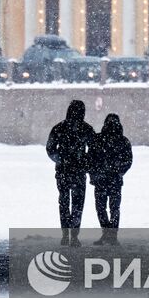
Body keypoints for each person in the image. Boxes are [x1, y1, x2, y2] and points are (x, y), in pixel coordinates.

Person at [45, 99, 95, 246]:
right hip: (78, 172)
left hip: (63, 171)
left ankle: (66, 233)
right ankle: (73, 234)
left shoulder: (59, 128)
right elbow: (94, 149)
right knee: (77, 203)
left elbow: (50, 148)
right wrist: (85, 162)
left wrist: (61, 160)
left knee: (64, 202)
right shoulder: (86, 129)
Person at [87, 112, 133, 245]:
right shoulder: (123, 141)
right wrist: (118, 172)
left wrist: (95, 173)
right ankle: (111, 235)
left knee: (102, 208)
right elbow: (128, 161)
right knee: (114, 208)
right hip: (114, 180)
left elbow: (90, 159)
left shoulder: (98, 139)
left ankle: (107, 233)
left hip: (102, 180)